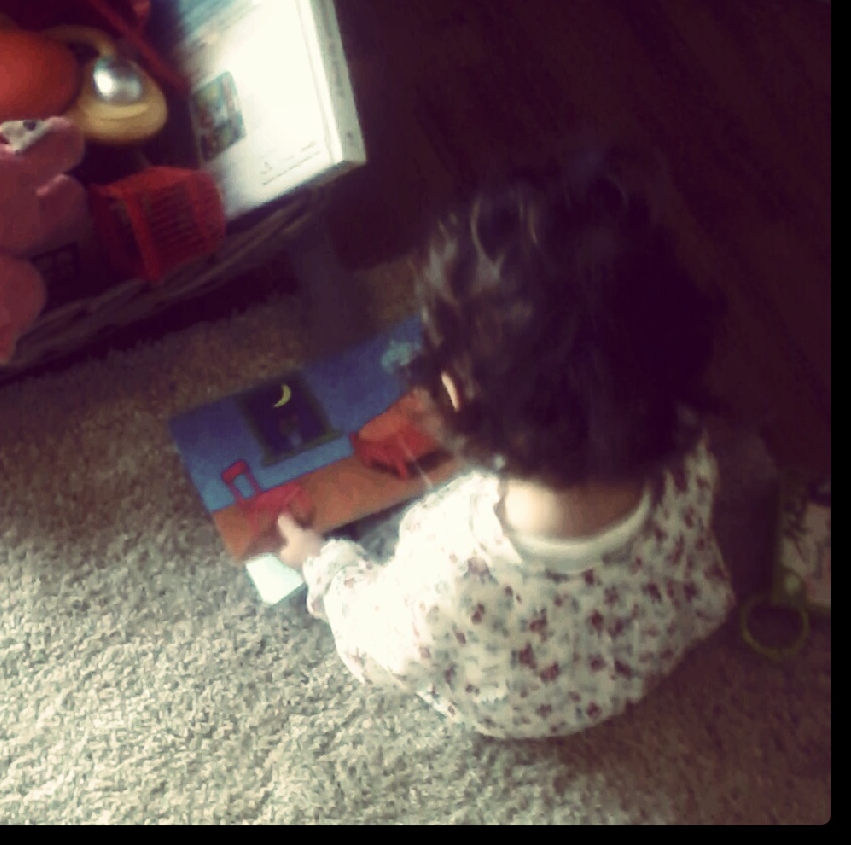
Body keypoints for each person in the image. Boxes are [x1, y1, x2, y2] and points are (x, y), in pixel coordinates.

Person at [276, 145, 736, 739]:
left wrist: (323, 563)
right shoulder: (687, 454)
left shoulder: (457, 556)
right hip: (643, 654)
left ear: (455, 393)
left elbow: (384, 652)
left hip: (519, 711)